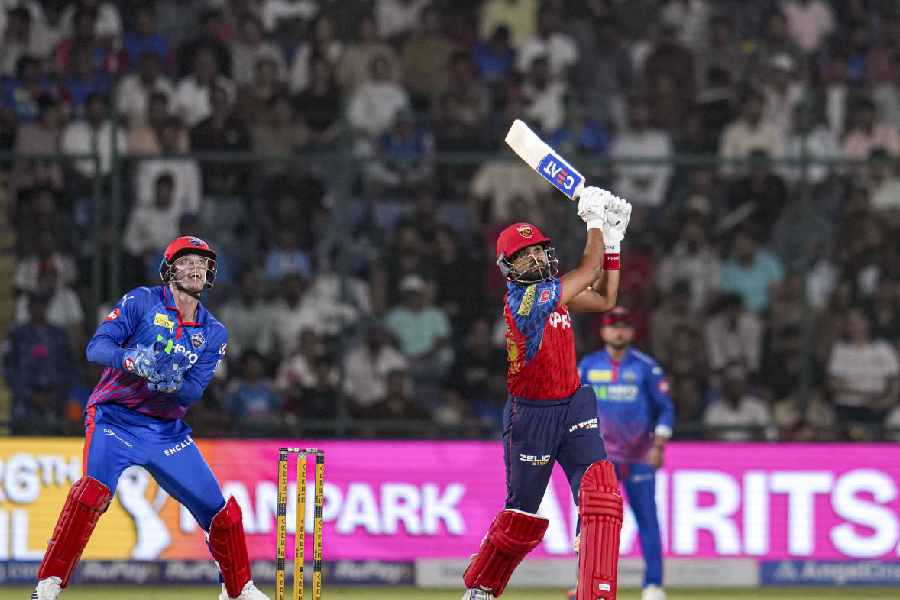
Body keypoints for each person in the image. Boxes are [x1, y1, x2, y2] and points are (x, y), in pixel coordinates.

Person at [31, 236, 268, 600]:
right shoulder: (141, 301)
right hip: (115, 419)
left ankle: (238, 590)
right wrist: (132, 360)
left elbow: (194, 392)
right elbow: (96, 348)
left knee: (221, 513)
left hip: (166, 432)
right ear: (169, 269)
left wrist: (173, 383)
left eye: (202, 264)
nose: (195, 269)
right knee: (92, 492)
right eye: (187, 261)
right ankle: (49, 583)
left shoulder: (213, 332)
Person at [462, 187, 632, 600]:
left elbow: (607, 296)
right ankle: (482, 588)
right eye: (526, 254)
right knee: (522, 512)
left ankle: (594, 591)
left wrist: (612, 243)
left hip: (573, 404)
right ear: (509, 266)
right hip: (531, 416)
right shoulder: (529, 301)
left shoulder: (556, 291)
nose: (537, 258)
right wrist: (595, 222)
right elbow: (590, 272)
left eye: (540, 250)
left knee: (602, 494)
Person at [574, 307, 675, 600]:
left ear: (632, 332)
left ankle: (653, 585)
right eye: (613, 326)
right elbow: (574, 404)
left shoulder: (647, 368)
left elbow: (666, 408)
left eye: (625, 326)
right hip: (599, 459)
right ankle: (584, 581)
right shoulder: (588, 366)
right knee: (590, 521)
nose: (619, 331)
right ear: (603, 331)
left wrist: (658, 445)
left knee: (648, 520)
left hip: (639, 456)